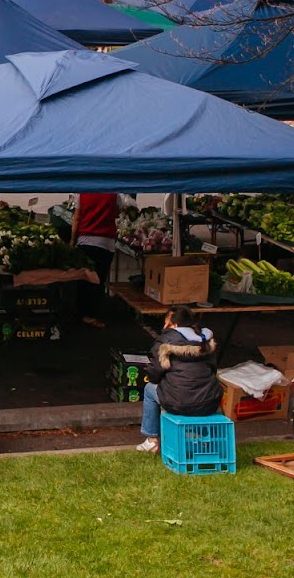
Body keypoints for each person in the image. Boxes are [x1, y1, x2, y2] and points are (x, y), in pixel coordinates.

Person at [137, 307, 221, 454]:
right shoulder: (207, 342)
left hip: (178, 402)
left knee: (150, 389)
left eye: (167, 324)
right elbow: (213, 370)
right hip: (210, 402)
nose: (164, 328)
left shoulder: (165, 343)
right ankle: (200, 438)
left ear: (175, 325)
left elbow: (155, 375)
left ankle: (152, 441)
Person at [75, 193, 118, 328]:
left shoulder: (81, 195)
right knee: (99, 279)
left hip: (85, 240)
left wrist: (72, 241)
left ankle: (82, 313)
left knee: (84, 279)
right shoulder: (115, 195)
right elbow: (118, 212)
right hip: (106, 242)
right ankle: (92, 314)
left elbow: (76, 219)